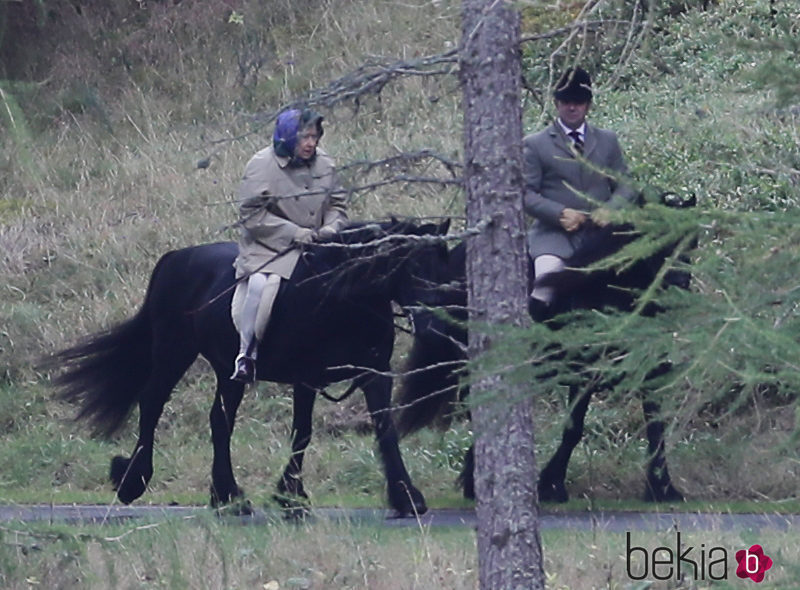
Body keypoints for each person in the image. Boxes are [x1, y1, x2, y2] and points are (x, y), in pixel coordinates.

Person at [230, 108, 348, 382]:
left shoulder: (325, 164)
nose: (311, 143)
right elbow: (251, 215)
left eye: (315, 137)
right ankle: (247, 354)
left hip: (319, 244)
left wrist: (331, 228)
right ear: (287, 136)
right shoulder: (260, 165)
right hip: (269, 246)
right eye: (304, 137)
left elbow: (337, 205)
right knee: (260, 287)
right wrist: (294, 232)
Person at [522, 66, 637, 320]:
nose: (572, 107)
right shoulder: (536, 143)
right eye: (566, 102)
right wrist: (559, 213)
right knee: (544, 288)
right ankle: (533, 342)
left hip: (601, 236)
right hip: (555, 237)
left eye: (578, 102)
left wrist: (611, 208)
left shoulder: (607, 140)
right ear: (556, 103)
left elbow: (626, 184)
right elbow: (526, 194)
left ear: (588, 105)